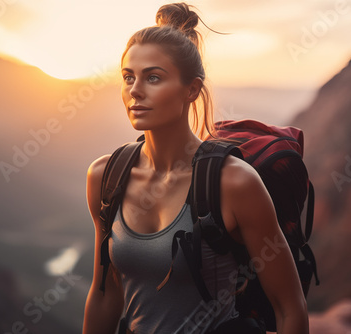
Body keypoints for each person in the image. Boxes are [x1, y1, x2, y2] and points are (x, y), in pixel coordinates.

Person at [82, 3, 308, 333]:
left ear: (191, 90)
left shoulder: (234, 183)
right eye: (128, 77)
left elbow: (290, 308)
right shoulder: (105, 177)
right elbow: (105, 294)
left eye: (153, 77)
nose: (135, 90)